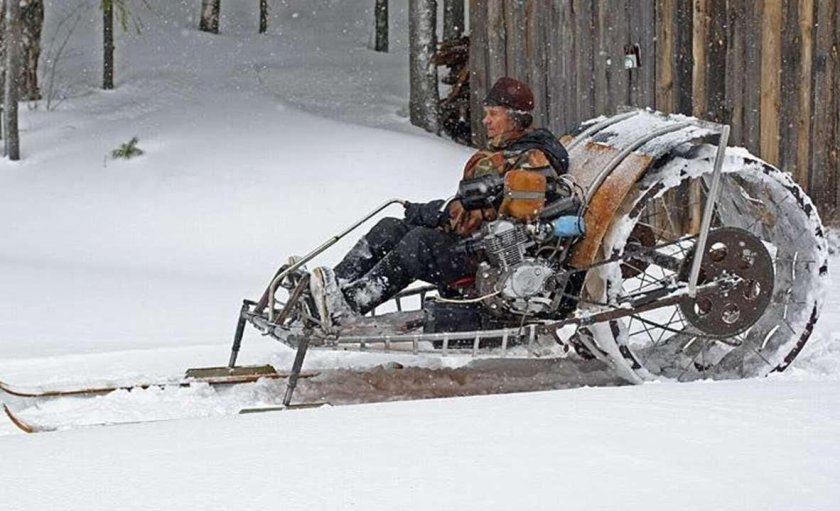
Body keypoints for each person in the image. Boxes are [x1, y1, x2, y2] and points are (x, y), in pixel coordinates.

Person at [309, 77, 569, 330]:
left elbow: (489, 219)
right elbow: (470, 204)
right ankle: (332, 289)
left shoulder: (531, 160)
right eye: (486, 113)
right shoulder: (507, 153)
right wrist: (433, 212)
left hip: (489, 262)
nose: (485, 120)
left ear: (514, 117)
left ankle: (350, 305)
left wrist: (438, 215)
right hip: (473, 245)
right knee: (390, 227)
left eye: (493, 114)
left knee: (420, 243)